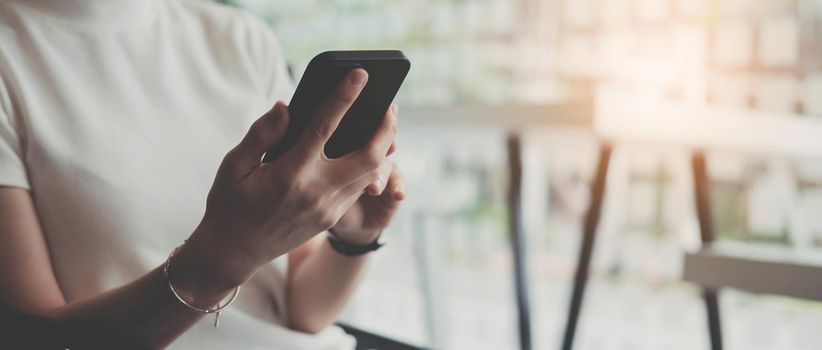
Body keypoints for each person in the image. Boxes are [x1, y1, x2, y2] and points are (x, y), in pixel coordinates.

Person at [0, 0, 404, 349]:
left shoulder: (240, 38)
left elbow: (305, 311)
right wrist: (223, 256)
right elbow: (40, 340)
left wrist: (354, 239)